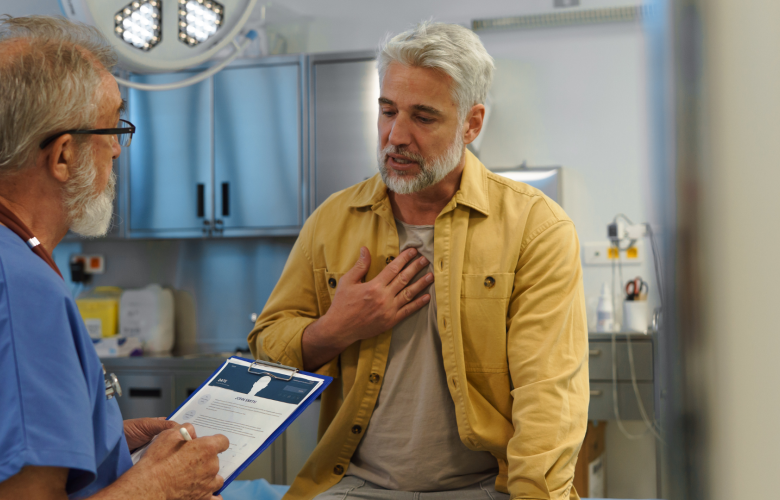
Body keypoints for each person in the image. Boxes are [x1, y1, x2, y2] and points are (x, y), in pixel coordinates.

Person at [249, 21, 589, 500]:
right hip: (356, 484)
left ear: (472, 123)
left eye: (423, 118)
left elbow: (547, 395)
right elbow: (265, 350)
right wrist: (336, 327)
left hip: (483, 487)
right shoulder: (332, 221)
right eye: (387, 111)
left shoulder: (537, 229)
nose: (396, 135)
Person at [0, 16, 228, 500]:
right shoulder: (22, 288)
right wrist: (160, 486)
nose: (118, 152)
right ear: (62, 156)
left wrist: (104, 443)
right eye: (113, 128)